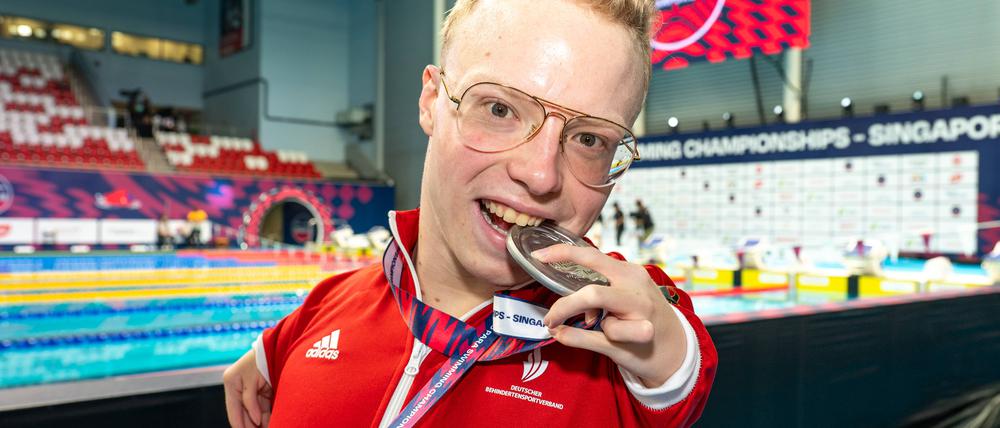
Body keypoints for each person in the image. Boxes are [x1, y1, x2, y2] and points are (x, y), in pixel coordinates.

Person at [223, 1, 717, 427]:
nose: (540, 174)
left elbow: (678, 365)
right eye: (500, 110)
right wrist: (271, 357)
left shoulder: (612, 343)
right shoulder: (325, 309)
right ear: (433, 101)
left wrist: (666, 349)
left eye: (590, 140)